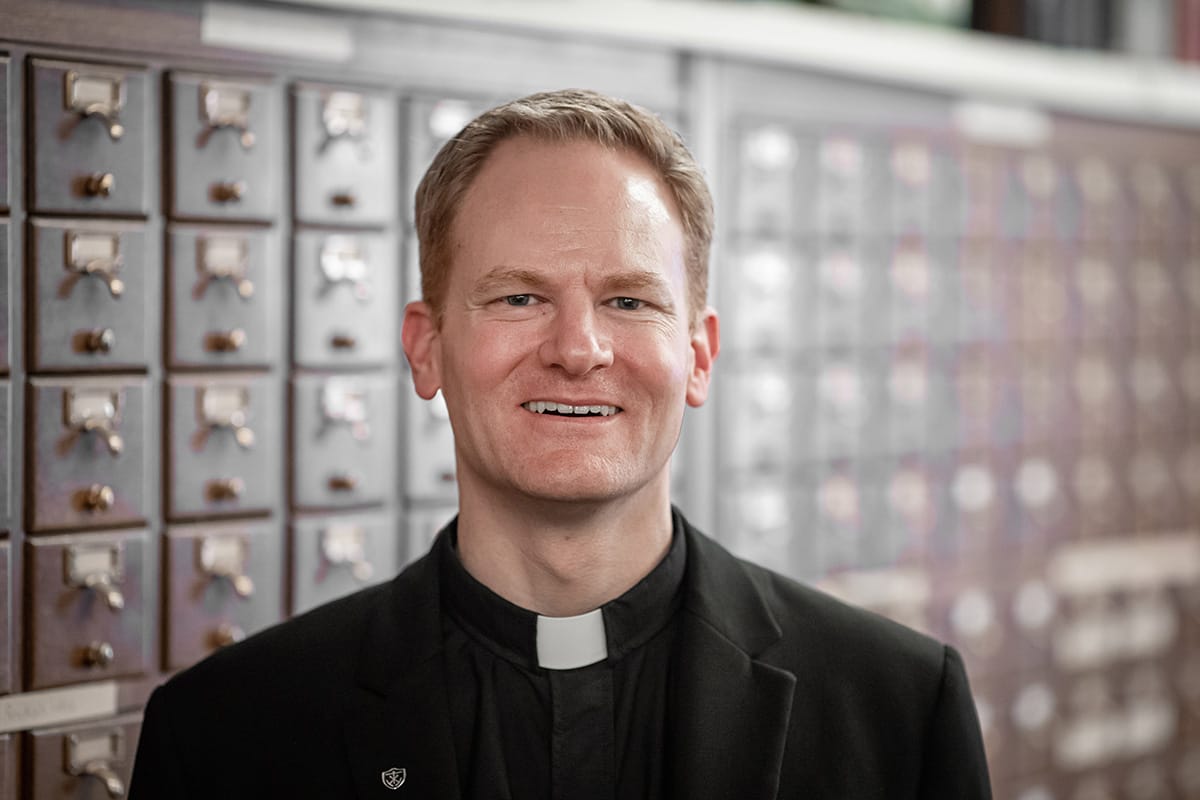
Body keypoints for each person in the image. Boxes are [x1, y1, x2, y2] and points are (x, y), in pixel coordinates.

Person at [129, 89, 991, 799]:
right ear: (426, 348)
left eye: (629, 301)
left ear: (698, 354)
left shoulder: (899, 711)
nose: (578, 350)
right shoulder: (226, 737)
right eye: (518, 299)